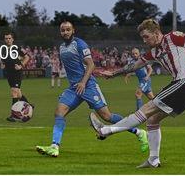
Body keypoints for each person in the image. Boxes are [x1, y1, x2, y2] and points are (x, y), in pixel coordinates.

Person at [89, 19, 185, 168]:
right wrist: (114, 73)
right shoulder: (154, 52)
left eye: (146, 36)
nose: (144, 40)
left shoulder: (174, 37)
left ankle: (105, 130)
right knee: (153, 119)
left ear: (156, 33)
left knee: (146, 110)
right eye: (142, 37)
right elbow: (134, 66)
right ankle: (153, 160)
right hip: (182, 87)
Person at [36, 21, 148, 158]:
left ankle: (139, 132)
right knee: (59, 113)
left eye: (68, 29)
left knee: (107, 116)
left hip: (88, 85)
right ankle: (54, 147)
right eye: (62, 30)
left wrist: (83, 82)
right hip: (74, 88)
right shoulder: (61, 47)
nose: (65, 32)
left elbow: (91, 65)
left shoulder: (80, 44)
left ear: (73, 30)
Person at [1, 32, 33, 122]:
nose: (8, 40)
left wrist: (21, 65)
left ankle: (13, 115)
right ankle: (29, 106)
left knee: (14, 92)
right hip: (9, 73)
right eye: (6, 38)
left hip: (17, 72)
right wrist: (2, 64)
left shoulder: (17, 48)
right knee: (18, 93)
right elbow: (3, 60)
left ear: (13, 39)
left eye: (9, 38)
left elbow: (27, 57)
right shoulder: (3, 49)